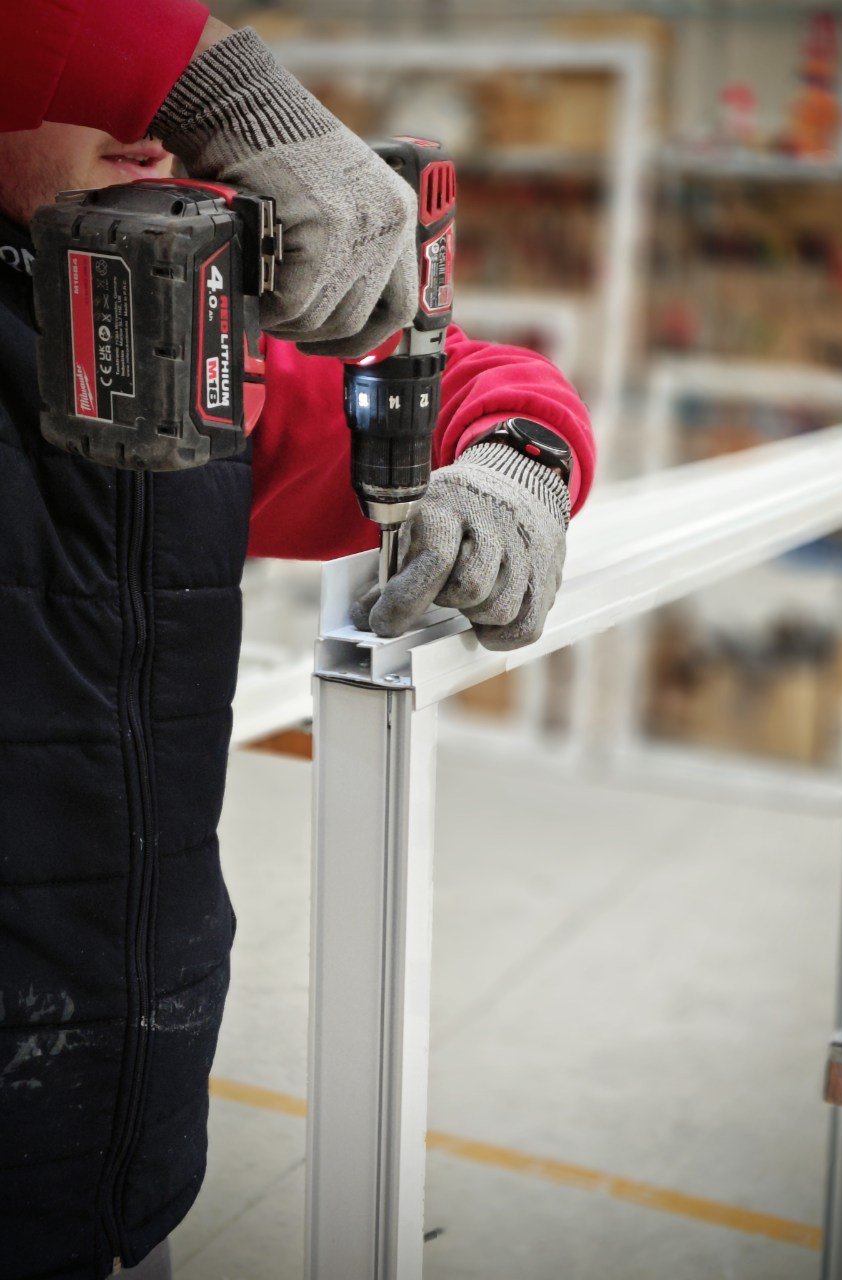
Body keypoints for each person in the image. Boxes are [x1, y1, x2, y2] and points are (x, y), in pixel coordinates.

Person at [0, 5, 595, 1278]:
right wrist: (215, 75)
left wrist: (518, 463)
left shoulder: (180, 339)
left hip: (119, 1144)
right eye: (115, 71)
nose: (151, 120)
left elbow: (460, 380)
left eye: (173, 89)